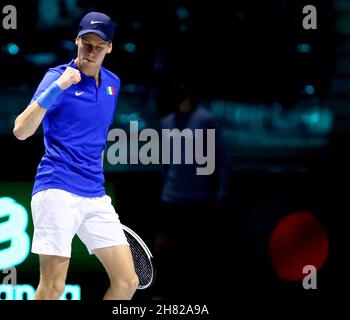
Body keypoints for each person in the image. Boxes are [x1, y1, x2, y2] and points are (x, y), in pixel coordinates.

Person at [13, 12, 139, 300]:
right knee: (54, 287)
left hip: (95, 194)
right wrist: (58, 88)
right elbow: (21, 130)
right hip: (57, 189)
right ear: (76, 42)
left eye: (98, 46)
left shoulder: (112, 84)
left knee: (127, 281)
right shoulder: (56, 78)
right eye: (86, 44)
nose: (91, 52)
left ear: (110, 48)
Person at [152, 80, 231, 299]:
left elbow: (222, 160)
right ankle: (164, 295)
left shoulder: (206, 120)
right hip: (171, 198)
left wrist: (221, 194)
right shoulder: (166, 123)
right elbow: (164, 164)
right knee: (166, 252)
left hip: (198, 199)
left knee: (195, 256)